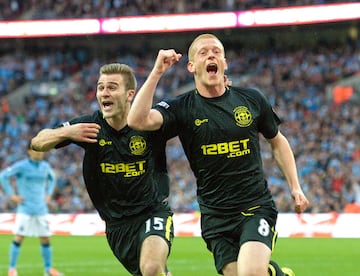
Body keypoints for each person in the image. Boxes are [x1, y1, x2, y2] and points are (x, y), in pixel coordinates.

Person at [127, 33, 310, 276]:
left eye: (216, 51)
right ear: (191, 66)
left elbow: (277, 142)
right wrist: (157, 72)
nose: (211, 55)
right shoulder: (182, 107)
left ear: (224, 63)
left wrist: (295, 187)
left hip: (254, 207)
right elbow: (137, 119)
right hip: (215, 216)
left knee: (250, 273)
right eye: (203, 52)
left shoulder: (251, 99)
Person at [31, 63, 174, 276]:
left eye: (112, 87)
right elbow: (38, 142)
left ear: (129, 94)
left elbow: (189, 115)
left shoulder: (150, 123)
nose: (104, 93)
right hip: (116, 225)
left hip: (152, 212)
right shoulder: (89, 127)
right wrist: (67, 132)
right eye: (101, 87)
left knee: (152, 268)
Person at [0, 142, 63, 276]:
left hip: (41, 209)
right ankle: (12, 268)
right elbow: (3, 176)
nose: (40, 153)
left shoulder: (45, 166)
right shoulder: (21, 166)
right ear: (29, 151)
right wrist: (12, 195)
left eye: (42, 151)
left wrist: (49, 193)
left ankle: (48, 269)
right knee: (19, 238)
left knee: (45, 239)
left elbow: (52, 179)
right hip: (25, 208)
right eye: (37, 150)